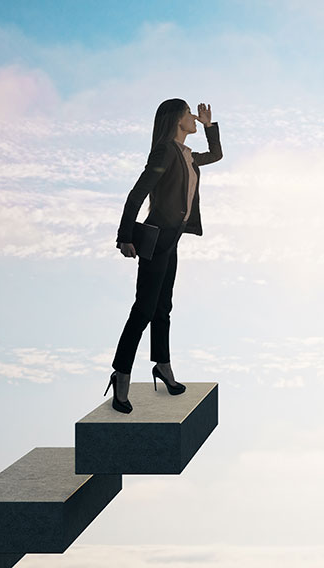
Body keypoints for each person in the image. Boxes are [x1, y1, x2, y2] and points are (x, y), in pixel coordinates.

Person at [106, 98, 223, 413]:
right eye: (189, 114)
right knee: (143, 311)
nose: (193, 118)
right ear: (176, 119)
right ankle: (121, 375)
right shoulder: (165, 152)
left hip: (171, 241)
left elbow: (216, 154)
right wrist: (124, 236)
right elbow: (137, 193)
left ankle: (163, 366)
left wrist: (210, 126)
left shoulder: (187, 156)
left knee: (163, 309)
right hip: (156, 239)